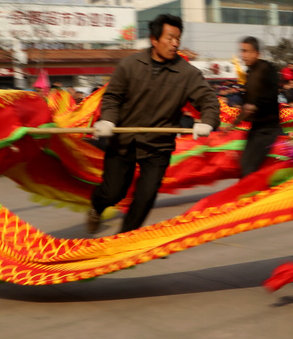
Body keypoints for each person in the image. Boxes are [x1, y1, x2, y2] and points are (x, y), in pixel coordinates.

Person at [88, 14, 220, 234]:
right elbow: (112, 97)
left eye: (178, 38)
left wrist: (207, 122)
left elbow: (209, 101)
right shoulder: (130, 65)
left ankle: (123, 241)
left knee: (146, 196)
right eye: (169, 38)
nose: (175, 43)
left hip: (158, 145)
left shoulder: (187, 73)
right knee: (114, 193)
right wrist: (108, 119)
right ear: (154, 40)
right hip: (123, 140)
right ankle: (96, 207)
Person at [236, 36, 282, 178]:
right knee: (246, 167)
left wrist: (256, 105)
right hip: (256, 129)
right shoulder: (249, 73)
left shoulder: (266, 68)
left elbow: (272, 93)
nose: (243, 55)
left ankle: (250, 198)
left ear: (257, 53)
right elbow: (248, 104)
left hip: (268, 129)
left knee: (248, 168)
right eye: (242, 51)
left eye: (246, 51)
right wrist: (235, 122)